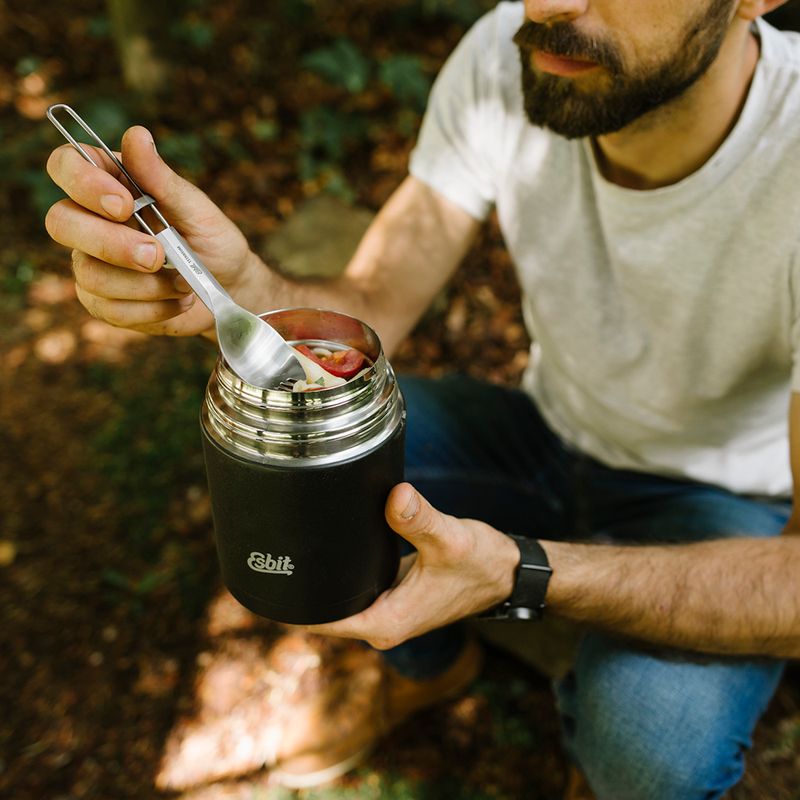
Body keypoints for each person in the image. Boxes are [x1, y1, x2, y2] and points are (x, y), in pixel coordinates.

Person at [45, 0, 800, 797]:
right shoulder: (515, 55)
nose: (543, 6)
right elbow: (378, 296)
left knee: (653, 753)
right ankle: (432, 667)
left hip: (722, 503)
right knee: (316, 484)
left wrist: (523, 572)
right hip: (543, 433)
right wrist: (253, 298)